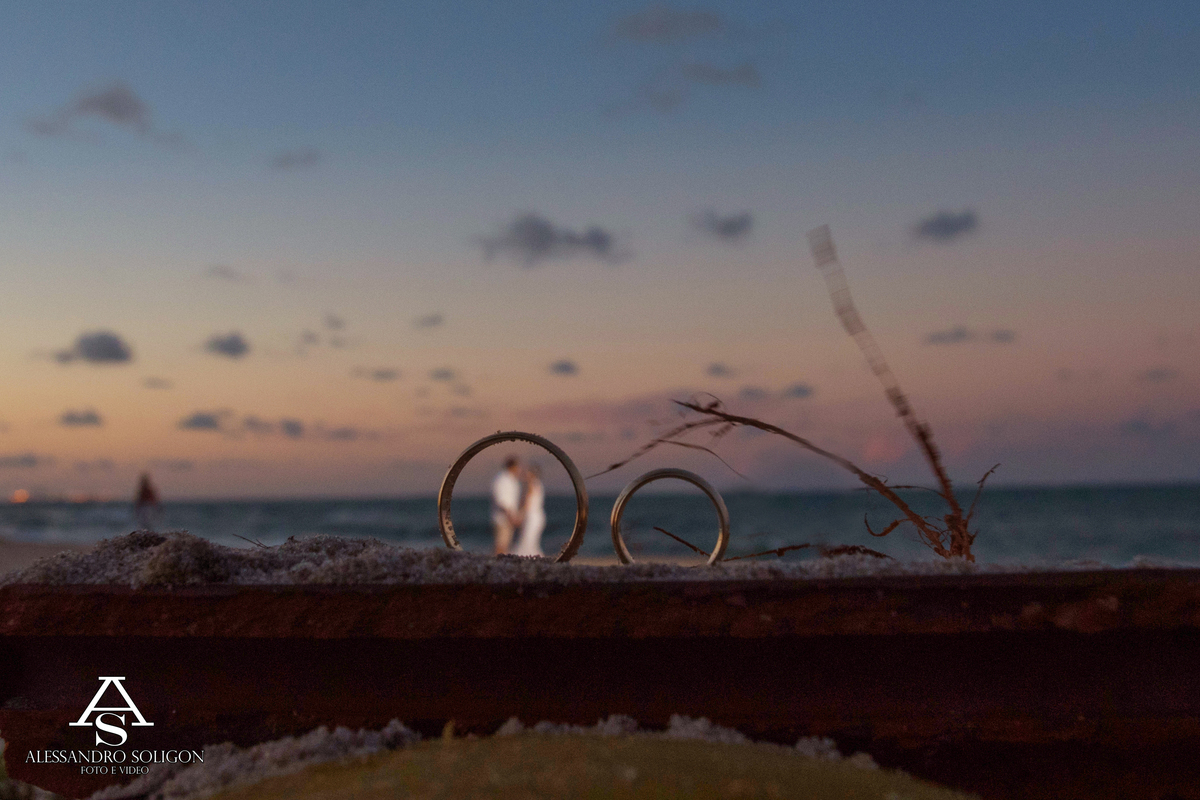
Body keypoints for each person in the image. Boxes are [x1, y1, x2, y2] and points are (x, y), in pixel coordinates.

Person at [512, 463, 546, 557]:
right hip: (538, 516)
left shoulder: (531, 485)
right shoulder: (538, 484)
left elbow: (528, 503)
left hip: (532, 517)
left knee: (527, 541)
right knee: (531, 542)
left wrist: (520, 515)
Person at [491, 456, 522, 554]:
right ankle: (495, 566)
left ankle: (500, 566)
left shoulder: (512, 480)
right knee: (501, 545)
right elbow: (501, 500)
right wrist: (510, 515)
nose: (519, 469)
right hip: (502, 517)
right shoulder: (502, 479)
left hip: (509, 517)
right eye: (518, 466)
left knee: (505, 545)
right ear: (513, 466)